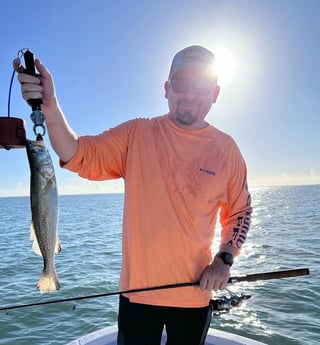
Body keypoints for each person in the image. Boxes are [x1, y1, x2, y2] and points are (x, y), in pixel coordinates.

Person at [14, 45, 252, 345]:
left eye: (201, 86)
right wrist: (49, 106)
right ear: (167, 88)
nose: (190, 93)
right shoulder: (136, 134)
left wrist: (224, 259)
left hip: (194, 297)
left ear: (214, 93)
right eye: (180, 84)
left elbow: (240, 212)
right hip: (137, 298)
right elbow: (77, 153)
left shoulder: (227, 150)